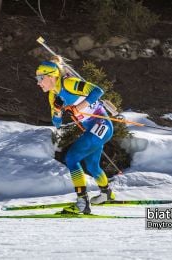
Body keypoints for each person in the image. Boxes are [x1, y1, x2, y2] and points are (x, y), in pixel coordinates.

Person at [35, 57, 115, 214]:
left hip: (102, 125)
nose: (38, 83)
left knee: (72, 158)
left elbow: (97, 91)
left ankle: (82, 202)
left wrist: (79, 107)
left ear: (51, 76)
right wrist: (58, 111)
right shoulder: (53, 95)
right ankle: (107, 194)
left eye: (40, 78)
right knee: (92, 166)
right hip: (91, 129)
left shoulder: (69, 83)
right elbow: (56, 123)